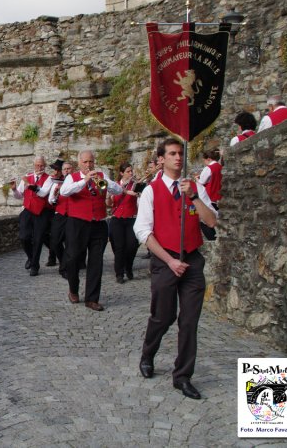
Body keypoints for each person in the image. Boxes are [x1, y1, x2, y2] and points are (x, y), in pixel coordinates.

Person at [135, 138, 218, 400]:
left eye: (181, 153)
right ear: (161, 158)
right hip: (165, 259)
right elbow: (143, 231)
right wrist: (169, 261)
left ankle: (182, 376)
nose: (178, 158)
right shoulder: (151, 190)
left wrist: (193, 196)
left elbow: (212, 220)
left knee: (189, 321)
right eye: (172, 153)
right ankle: (148, 353)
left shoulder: (196, 187)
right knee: (163, 316)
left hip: (192, 260)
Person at [60, 150, 123, 311]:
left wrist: (104, 182)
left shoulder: (101, 175)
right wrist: (84, 181)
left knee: (96, 262)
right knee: (73, 258)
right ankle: (73, 289)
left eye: (91, 162)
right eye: (85, 162)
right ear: (79, 163)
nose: (89, 165)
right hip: (77, 223)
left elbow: (118, 191)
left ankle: (92, 298)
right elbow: (64, 192)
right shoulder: (72, 178)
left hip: (98, 224)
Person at [10, 156, 53, 276]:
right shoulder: (27, 177)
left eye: (42, 165)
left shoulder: (48, 178)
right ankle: (30, 257)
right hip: (28, 210)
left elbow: (43, 193)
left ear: (44, 166)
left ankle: (35, 265)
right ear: (34, 165)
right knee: (24, 237)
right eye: (38, 165)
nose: (40, 167)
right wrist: (14, 190)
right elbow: (19, 195)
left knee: (38, 239)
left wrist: (31, 185)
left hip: (41, 211)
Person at [108, 162, 140, 284]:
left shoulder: (135, 184)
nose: (131, 173)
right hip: (117, 219)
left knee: (132, 245)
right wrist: (108, 197)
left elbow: (137, 195)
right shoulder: (114, 185)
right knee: (119, 247)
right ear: (121, 173)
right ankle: (119, 273)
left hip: (131, 218)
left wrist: (129, 190)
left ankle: (128, 267)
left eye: (131, 171)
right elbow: (110, 204)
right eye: (128, 171)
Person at [49, 160, 72, 279]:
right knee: (55, 241)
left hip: (73, 215)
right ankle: (64, 261)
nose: (67, 171)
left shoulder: (77, 181)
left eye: (69, 169)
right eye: (65, 169)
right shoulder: (57, 182)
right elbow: (50, 200)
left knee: (70, 243)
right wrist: (56, 194)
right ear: (62, 171)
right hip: (60, 214)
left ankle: (64, 268)